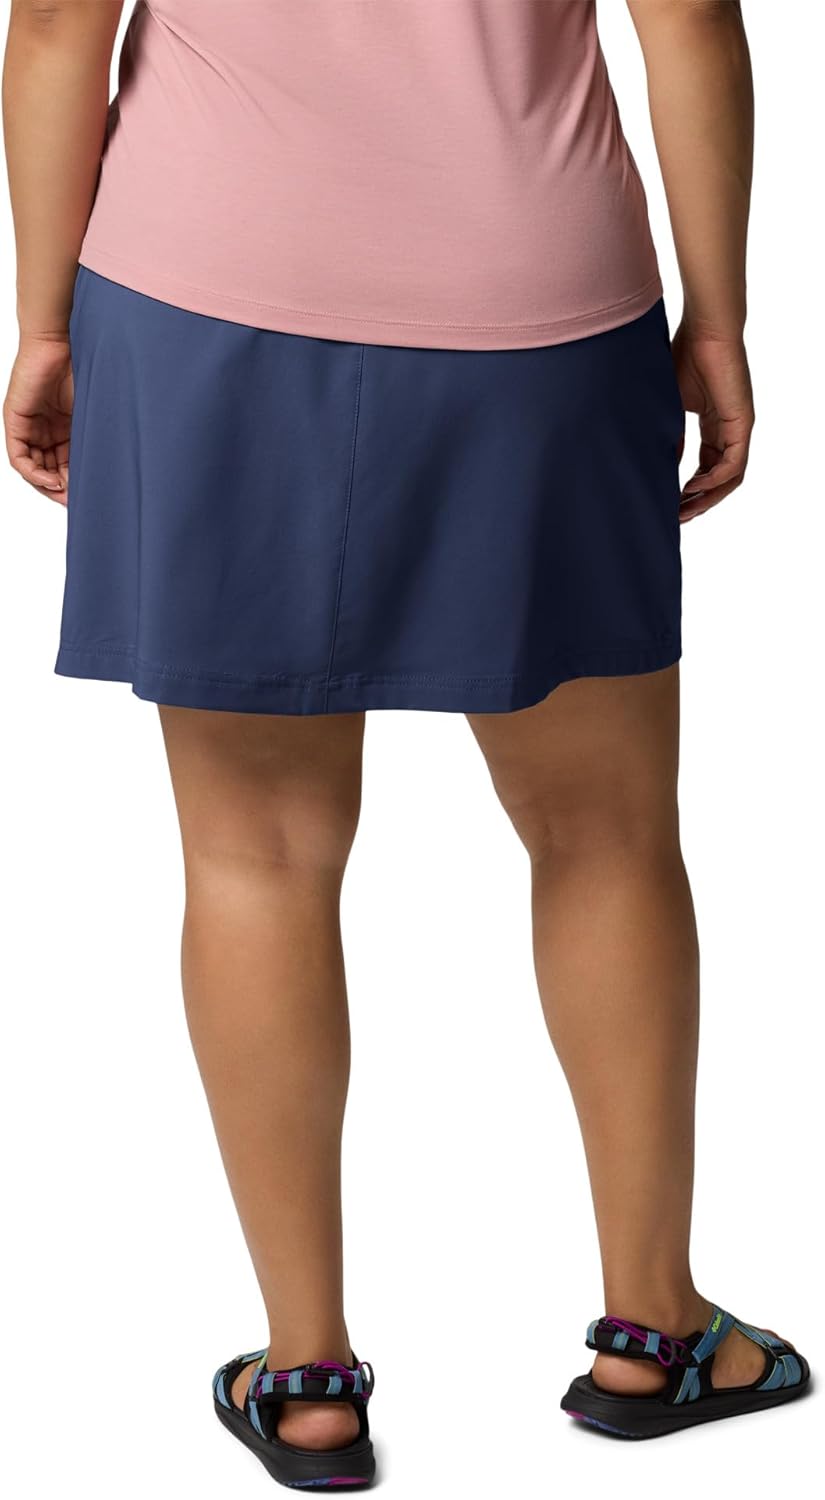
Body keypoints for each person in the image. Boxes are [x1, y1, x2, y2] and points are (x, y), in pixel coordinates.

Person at [2, 0, 809, 1482]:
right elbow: (687, 19)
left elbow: (59, 24)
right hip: (536, 306)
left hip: (205, 295)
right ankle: (654, 1328)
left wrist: (44, 323)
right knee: (605, 833)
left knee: (255, 855)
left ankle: (308, 1376)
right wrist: (717, 320)